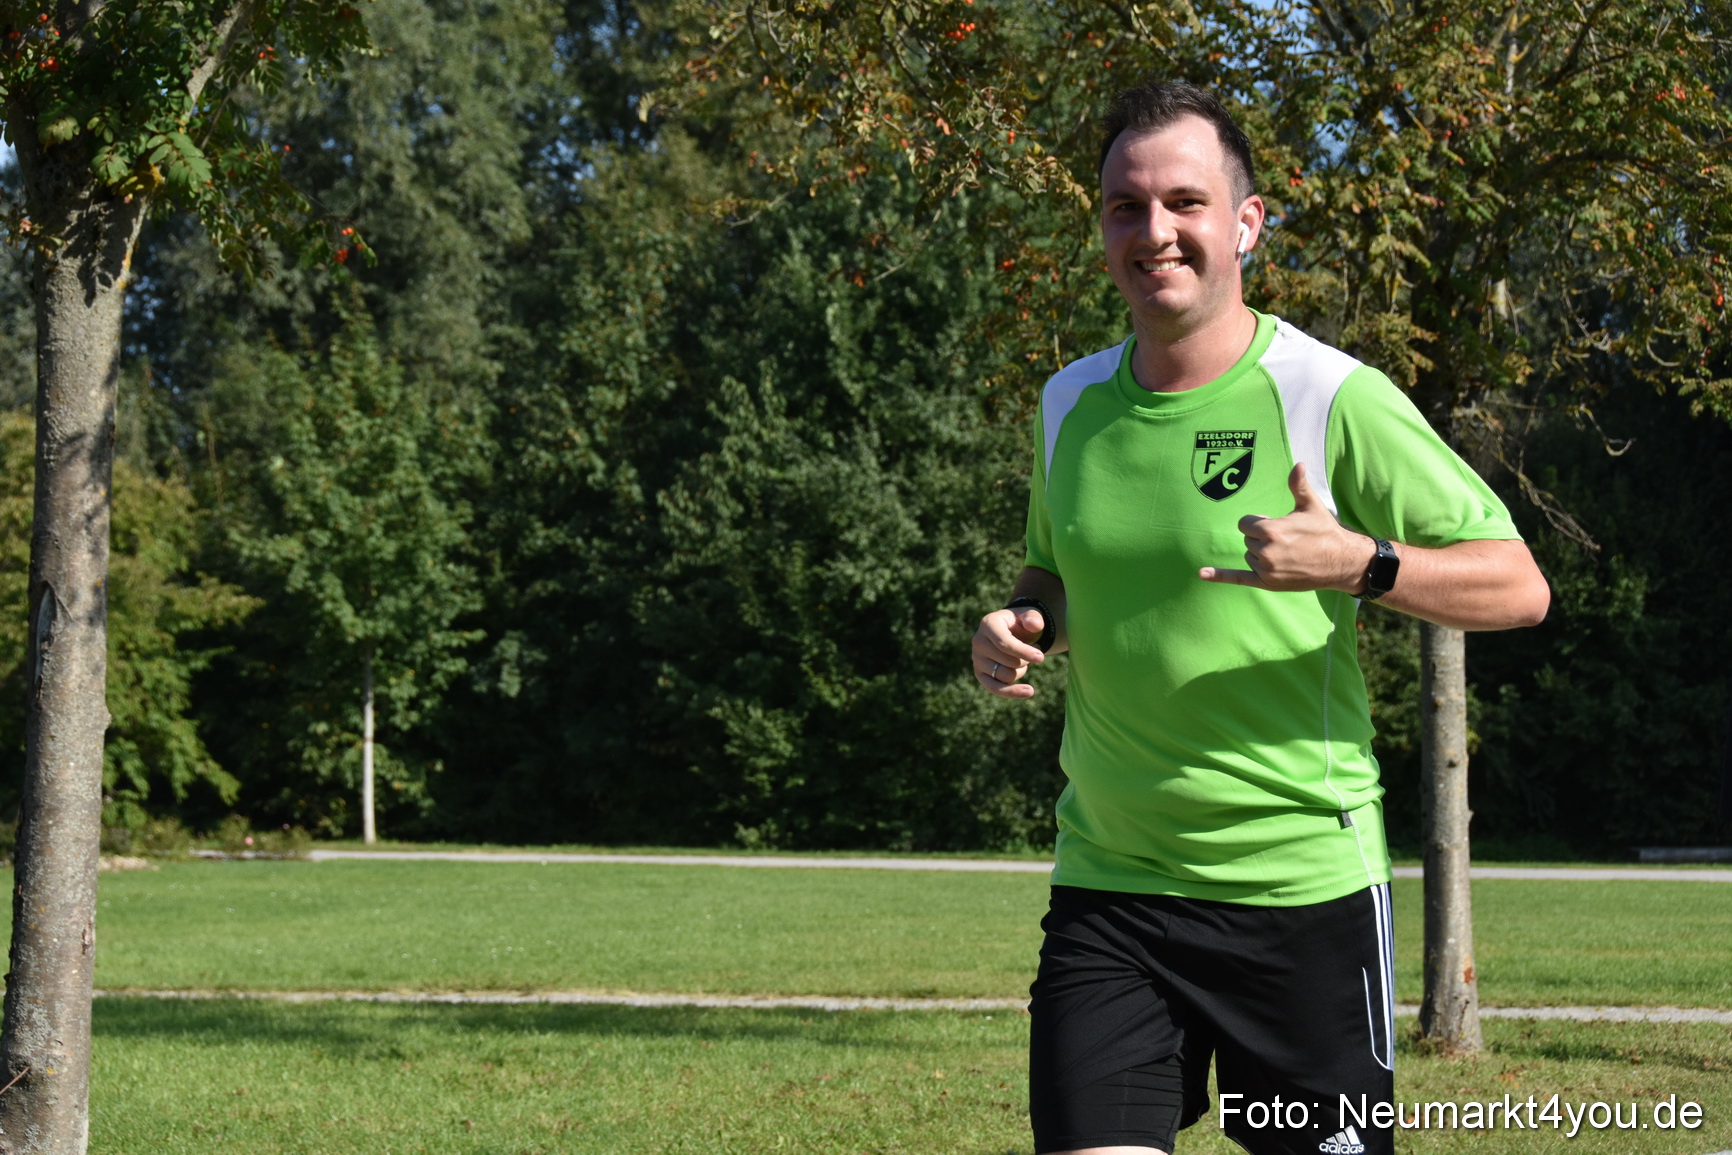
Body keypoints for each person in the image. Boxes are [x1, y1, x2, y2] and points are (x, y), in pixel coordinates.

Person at [969, 80, 1550, 1155]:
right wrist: (1017, 622)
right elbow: (1052, 571)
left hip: (1300, 893)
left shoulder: (1327, 395)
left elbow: (1517, 584)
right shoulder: (1068, 405)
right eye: (1124, 207)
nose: (1155, 233)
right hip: (1112, 884)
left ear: (1244, 221)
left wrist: (1360, 564)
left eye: (1185, 203)